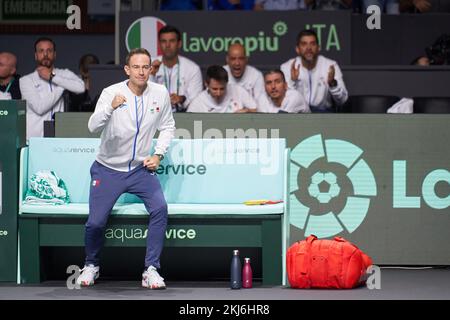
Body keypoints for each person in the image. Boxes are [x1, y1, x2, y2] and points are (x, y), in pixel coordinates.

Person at [76, 48, 175, 289]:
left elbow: (168, 126)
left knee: (160, 209)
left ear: (151, 69)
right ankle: (91, 265)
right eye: (137, 67)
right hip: (107, 169)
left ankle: (151, 269)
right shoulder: (112, 92)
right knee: (96, 223)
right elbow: (92, 126)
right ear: (127, 70)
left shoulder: (160, 93)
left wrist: (158, 154)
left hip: (140, 170)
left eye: (146, 67)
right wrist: (110, 107)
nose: (142, 71)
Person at [19, 37, 85, 139]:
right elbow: (39, 108)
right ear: (36, 56)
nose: (45, 54)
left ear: (55, 54)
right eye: (41, 51)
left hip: (59, 136)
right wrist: (62, 86)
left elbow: (81, 88)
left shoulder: (64, 73)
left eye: (49, 51)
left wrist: (53, 77)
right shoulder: (26, 80)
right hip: (34, 139)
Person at [280, 29, 348, 112]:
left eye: (312, 44)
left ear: (318, 47)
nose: (308, 48)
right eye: (304, 44)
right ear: (297, 49)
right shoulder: (287, 67)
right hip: (298, 115)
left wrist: (332, 84)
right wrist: (293, 81)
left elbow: (342, 100)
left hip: (323, 115)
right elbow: (285, 101)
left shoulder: (330, 65)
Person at [150, 25, 203, 112]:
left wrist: (182, 99)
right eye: (164, 41)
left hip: (184, 117)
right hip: (155, 115)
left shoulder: (192, 68)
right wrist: (151, 75)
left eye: (172, 41)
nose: (167, 45)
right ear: (159, 44)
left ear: (179, 44)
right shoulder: (149, 65)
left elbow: (196, 101)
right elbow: (141, 96)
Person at [188, 65, 257, 113]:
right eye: (214, 89)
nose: (218, 93)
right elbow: (187, 123)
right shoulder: (198, 102)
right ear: (206, 84)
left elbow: (255, 110)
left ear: (227, 83)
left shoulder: (238, 91)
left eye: (222, 88)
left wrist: (247, 112)